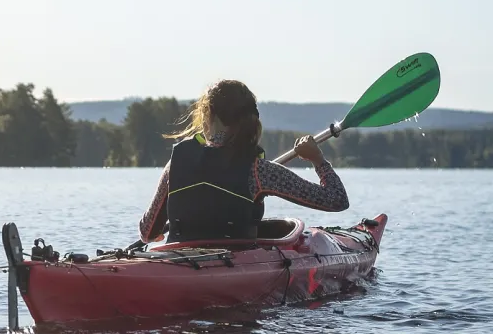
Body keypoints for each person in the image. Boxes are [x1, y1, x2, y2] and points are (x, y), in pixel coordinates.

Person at [139, 79, 348, 243]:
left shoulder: (175, 164)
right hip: (234, 266)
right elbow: (337, 199)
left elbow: (148, 232)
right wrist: (317, 159)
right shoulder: (260, 171)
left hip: (179, 261)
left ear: (207, 116)